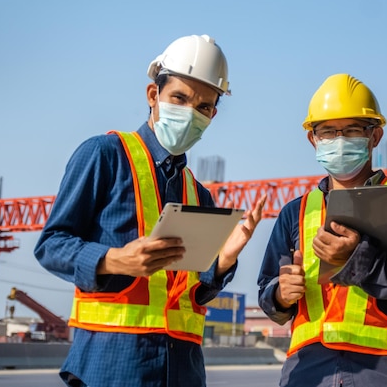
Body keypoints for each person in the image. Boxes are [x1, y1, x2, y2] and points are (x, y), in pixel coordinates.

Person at [35, 34, 266, 387]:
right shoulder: (104, 155)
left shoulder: (198, 193)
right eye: (179, 98)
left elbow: (192, 295)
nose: (191, 113)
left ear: (213, 114)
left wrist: (223, 262)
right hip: (111, 366)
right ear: (153, 95)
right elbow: (51, 245)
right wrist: (113, 260)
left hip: (183, 370)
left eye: (203, 107)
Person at [257, 73, 387, 387]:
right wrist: (280, 294)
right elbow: (268, 292)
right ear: (313, 139)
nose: (339, 140)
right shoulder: (296, 212)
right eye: (328, 132)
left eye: (351, 130)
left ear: (375, 136)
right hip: (308, 371)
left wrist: (362, 262)